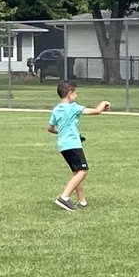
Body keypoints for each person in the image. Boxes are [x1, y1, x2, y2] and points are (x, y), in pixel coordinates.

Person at [47, 80, 111, 211]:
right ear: (70, 94)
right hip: (72, 144)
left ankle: (82, 201)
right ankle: (64, 197)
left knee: (76, 172)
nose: (76, 95)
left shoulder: (56, 109)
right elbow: (97, 111)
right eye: (76, 93)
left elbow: (50, 128)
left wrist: (62, 132)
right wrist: (104, 103)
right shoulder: (73, 107)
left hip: (63, 145)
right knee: (83, 171)